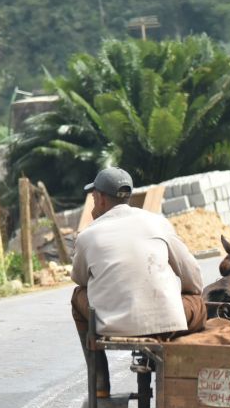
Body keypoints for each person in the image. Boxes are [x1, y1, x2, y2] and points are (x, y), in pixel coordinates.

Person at [70, 167, 206, 396]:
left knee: (77, 297)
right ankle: (182, 378)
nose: (93, 205)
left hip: (109, 325)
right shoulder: (157, 223)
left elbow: (79, 279)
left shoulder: (87, 235)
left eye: (94, 199)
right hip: (169, 325)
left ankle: (100, 385)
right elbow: (193, 278)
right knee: (198, 303)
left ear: (101, 199)